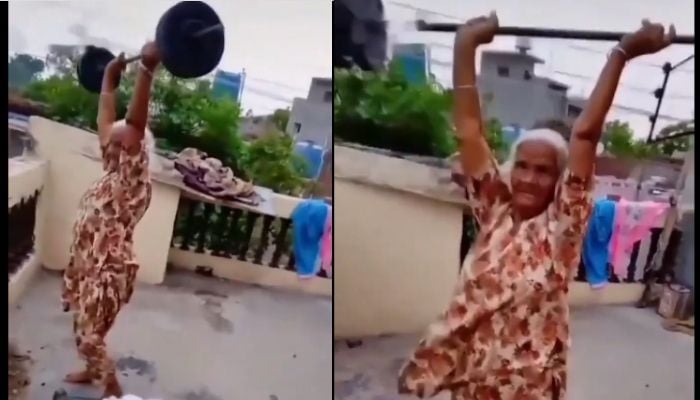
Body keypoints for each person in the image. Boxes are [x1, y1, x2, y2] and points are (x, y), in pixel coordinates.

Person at [398, 13, 675, 400]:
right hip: (474, 384)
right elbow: (469, 131)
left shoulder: (563, 226)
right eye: (523, 166)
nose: (529, 178)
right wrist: (465, 46)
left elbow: (585, 134)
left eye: (544, 171)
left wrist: (622, 53)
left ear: (560, 180)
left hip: (529, 390)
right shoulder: (494, 209)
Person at [61, 42, 161, 398]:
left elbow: (134, 123)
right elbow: (107, 125)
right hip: (87, 265)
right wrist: (108, 82)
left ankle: (113, 390)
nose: (109, 141)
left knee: (90, 335)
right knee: (82, 326)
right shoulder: (112, 170)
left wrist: (146, 72)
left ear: (133, 147)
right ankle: (92, 371)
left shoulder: (132, 177)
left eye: (118, 140)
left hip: (108, 270)